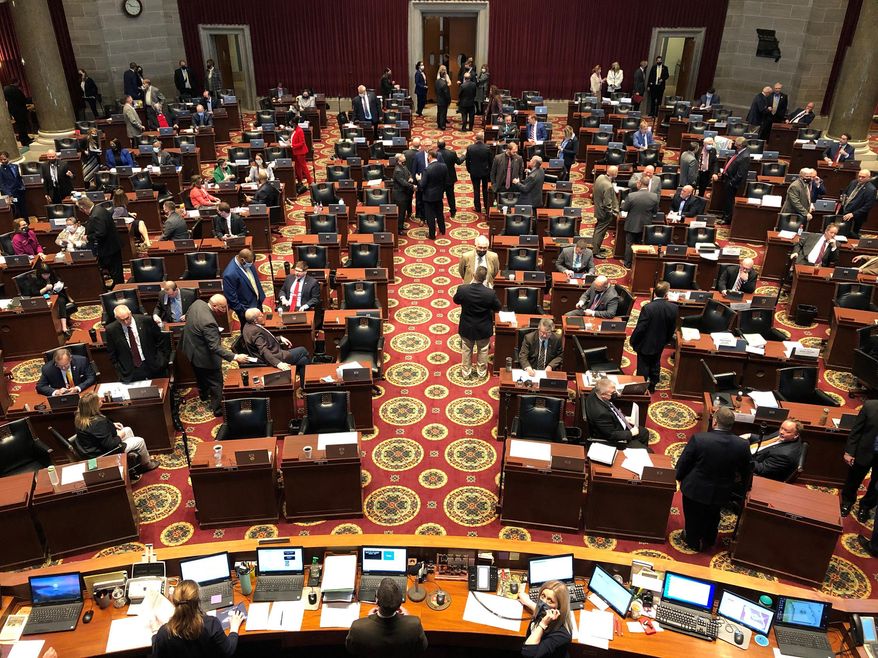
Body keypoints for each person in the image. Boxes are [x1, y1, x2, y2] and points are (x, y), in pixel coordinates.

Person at [676, 407, 752, 551]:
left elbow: (685, 461)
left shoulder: (699, 439)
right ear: (732, 424)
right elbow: (746, 470)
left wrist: (679, 477)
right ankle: (709, 539)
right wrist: (745, 489)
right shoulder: (742, 444)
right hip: (722, 490)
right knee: (713, 515)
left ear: (715, 421)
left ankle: (692, 541)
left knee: (693, 515)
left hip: (695, 488)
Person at [181, 295, 249, 415]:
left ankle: (203, 395)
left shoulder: (197, 303)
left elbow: (187, 316)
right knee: (216, 382)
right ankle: (217, 409)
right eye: (223, 308)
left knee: (200, 375)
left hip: (190, 349)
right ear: (214, 306)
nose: (226, 310)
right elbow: (214, 347)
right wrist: (235, 357)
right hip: (204, 356)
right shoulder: (209, 323)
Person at [152, 580, 242, 657]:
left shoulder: (164, 633)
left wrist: (155, 632)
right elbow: (228, 650)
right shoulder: (211, 624)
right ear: (198, 601)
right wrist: (234, 628)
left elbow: (156, 654)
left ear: (172, 601)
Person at [345, 578, 428, 658]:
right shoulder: (414, 624)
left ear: (376, 601)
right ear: (400, 604)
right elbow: (422, 647)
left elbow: (351, 649)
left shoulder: (358, 627)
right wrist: (407, 619)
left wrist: (368, 620)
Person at [74, 392, 157, 471]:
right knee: (140, 441)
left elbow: (94, 431)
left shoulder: (80, 417)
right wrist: (120, 436)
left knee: (127, 429)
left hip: (91, 448)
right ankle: (146, 465)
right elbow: (110, 445)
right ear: (93, 406)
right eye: (99, 400)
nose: (101, 400)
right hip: (103, 454)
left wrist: (112, 425)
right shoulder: (98, 422)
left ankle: (131, 459)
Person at [242, 308, 309, 388]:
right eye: (260, 315)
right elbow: (264, 350)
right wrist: (278, 363)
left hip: (272, 351)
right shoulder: (255, 332)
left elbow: (264, 340)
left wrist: (279, 338)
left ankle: (303, 386)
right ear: (255, 321)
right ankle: (303, 384)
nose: (263, 315)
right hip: (274, 356)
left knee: (303, 360)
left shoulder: (247, 326)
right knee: (303, 350)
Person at [453, 265, 500, 379]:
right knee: (483, 351)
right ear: (484, 279)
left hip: (467, 326)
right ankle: (481, 373)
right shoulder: (490, 293)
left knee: (466, 350)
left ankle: (466, 373)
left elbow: (455, 300)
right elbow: (497, 307)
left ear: (473, 275)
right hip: (483, 327)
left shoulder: (462, 289)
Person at [630, 281, 678, 392]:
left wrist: (633, 341)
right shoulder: (673, 308)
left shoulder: (648, 308)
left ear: (654, 293)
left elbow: (641, 328)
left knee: (643, 365)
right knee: (656, 362)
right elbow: (672, 328)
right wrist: (665, 340)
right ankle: (652, 385)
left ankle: (641, 387)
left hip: (645, 343)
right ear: (666, 295)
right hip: (660, 342)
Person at [105, 304, 170, 382]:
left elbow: (161, 340)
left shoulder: (146, 320)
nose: (126, 322)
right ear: (116, 318)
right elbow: (112, 353)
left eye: (127, 318)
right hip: (130, 370)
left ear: (130, 313)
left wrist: (162, 359)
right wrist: (120, 368)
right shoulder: (111, 330)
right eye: (122, 320)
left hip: (153, 364)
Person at [585, 378, 649, 449]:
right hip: (612, 439)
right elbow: (611, 435)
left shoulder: (596, 391)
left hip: (614, 423)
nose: (615, 393)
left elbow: (612, 408)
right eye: (612, 393)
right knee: (646, 450)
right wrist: (630, 433)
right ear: (603, 395)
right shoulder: (601, 414)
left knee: (644, 432)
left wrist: (623, 417)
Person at [841, 400, 878, 521]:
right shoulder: (870, 406)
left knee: (876, 485)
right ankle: (847, 502)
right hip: (864, 451)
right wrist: (849, 451)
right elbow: (856, 430)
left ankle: (866, 506)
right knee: (854, 479)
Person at [518, 580, 573, 658]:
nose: (543, 602)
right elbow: (540, 608)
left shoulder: (562, 635)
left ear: (559, 608)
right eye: (543, 596)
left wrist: (542, 625)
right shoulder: (544, 613)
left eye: (550, 601)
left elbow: (527, 653)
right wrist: (528, 602)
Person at [20, 260, 75, 336]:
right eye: (44, 274)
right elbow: (34, 293)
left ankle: (64, 328)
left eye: (48, 274)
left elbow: (58, 282)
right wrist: (45, 288)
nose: (47, 276)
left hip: (56, 295)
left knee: (61, 301)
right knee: (52, 307)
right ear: (40, 273)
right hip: (43, 298)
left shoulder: (52, 276)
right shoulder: (35, 279)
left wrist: (57, 286)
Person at [78, 196, 123, 286]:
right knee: (117, 271)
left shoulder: (95, 216)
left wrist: (88, 237)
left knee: (114, 272)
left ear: (83, 208)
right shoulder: (100, 209)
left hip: (108, 248)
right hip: (113, 245)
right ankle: (118, 286)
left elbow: (101, 234)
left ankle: (119, 289)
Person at [621, 179, 659, 268]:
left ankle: (627, 264)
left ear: (639, 184)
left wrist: (623, 203)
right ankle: (638, 263)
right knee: (641, 244)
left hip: (632, 224)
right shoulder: (654, 196)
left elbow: (625, 209)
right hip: (645, 225)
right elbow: (655, 211)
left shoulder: (631, 196)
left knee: (629, 244)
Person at [712, 136, 750, 225]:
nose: (734, 144)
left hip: (733, 183)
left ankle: (727, 219)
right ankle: (724, 215)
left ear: (740, 145)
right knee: (726, 199)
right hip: (728, 178)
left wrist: (732, 182)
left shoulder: (745, 156)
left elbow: (740, 174)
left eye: (736, 143)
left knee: (729, 201)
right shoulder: (739, 152)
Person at [222, 248, 265, 326]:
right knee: (248, 331)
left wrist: (260, 297)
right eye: (249, 262)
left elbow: (255, 280)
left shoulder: (248, 261)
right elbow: (232, 299)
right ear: (242, 260)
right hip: (246, 310)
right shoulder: (230, 274)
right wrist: (243, 311)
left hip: (257, 302)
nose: (251, 264)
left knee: (261, 327)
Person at [417, 149, 448, 240]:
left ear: (430, 157)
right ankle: (442, 230)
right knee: (439, 213)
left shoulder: (427, 169)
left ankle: (432, 235)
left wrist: (419, 179)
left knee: (430, 216)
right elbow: (446, 181)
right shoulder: (444, 166)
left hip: (428, 197)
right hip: (439, 195)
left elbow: (422, 185)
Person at [591, 165, 618, 258]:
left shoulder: (600, 177)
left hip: (597, 208)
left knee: (598, 228)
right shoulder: (608, 186)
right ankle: (595, 252)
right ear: (615, 174)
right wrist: (612, 213)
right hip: (603, 213)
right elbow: (607, 204)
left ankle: (595, 247)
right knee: (600, 231)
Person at [839, 169, 876, 235]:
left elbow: (868, 206)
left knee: (850, 235)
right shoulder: (853, 182)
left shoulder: (871, 190)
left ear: (869, 178)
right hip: (844, 212)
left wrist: (853, 214)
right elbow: (845, 192)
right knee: (840, 232)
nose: (860, 178)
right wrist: (843, 196)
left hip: (856, 217)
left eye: (863, 177)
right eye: (859, 176)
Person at [436, 140, 463, 217]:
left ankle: (438, 213)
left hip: (438, 179)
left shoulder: (434, 154)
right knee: (451, 196)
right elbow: (459, 162)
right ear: (445, 145)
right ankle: (453, 211)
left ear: (437, 145)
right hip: (449, 178)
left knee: (438, 197)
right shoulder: (452, 153)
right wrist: (464, 155)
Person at [391, 153, 415, 232]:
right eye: (402, 156)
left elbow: (409, 173)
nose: (404, 156)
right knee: (400, 212)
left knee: (403, 211)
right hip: (399, 195)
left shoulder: (403, 166)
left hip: (404, 193)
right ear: (399, 160)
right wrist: (412, 186)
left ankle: (401, 226)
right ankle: (398, 229)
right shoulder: (398, 170)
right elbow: (403, 182)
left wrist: (411, 177)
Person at [3, 80, 32, 146]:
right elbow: (22, 99)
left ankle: (24, 138)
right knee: (22, 125)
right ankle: (25, 140)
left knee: (20, 125)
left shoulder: (5, 89)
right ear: (16, 82)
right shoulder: (15, 89)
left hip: (13, 110)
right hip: (20, 110)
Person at [0, 150, 26, 219]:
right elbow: (2, 184)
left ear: (8, 158)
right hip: (11, 194)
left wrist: (22, 186)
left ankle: (27, 223)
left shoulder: (15, 166)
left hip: (20, 191)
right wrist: (9, 194)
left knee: (23, 208)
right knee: (16, 210)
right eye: (1, 160)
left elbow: (19, 178)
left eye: (4, 159)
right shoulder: (1, 170)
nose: (3, 161)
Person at [289, 120, 312, 194]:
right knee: (297, 167)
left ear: (295, 123)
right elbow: (294, 139)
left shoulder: (300, 130)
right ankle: (299, 181)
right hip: (295, 152)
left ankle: (310, 183)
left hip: (300, 152)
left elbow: (302, 143)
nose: (291, 125)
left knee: (303, 167)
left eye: (292, 123)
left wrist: (293, 145)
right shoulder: (295, 130)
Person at [435, 66, 452, 131]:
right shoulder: (444, 84)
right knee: (443, 113)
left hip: (438, 99)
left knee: (439, 112)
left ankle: (439, 124)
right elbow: (446, 94)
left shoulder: (437, 81)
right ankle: (442, 126)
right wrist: (449, 100)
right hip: (443, 100)